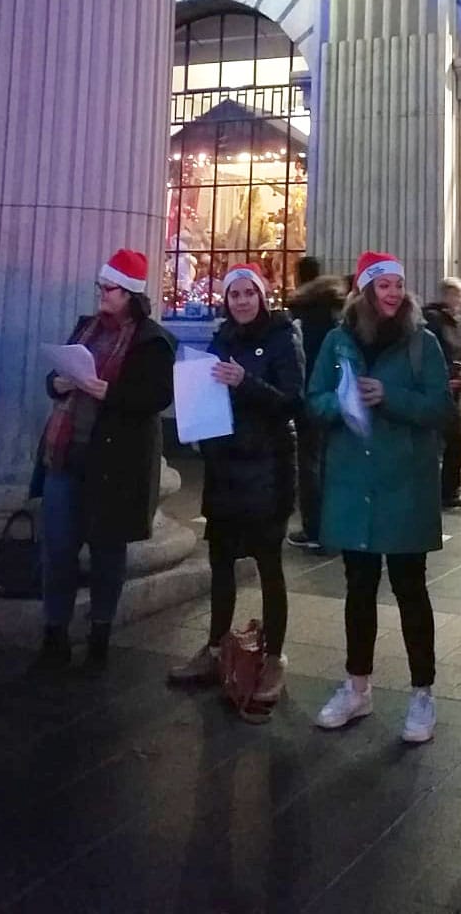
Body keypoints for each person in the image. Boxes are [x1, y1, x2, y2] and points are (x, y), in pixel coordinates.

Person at [307, 251, 453, 744]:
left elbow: (440, 408)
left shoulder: (422, 343)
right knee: (359, 588)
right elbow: (314, 398)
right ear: (365, 292)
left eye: (398, 285)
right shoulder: (336, 341)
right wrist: (339, 403)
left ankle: (422, 693)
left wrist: (387, 398)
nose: (392, 293)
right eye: (383, 285)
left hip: (404, 485)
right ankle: (357, 685)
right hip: (354, 484)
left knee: (411, 590)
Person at [30, 249, 175, 674]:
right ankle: (54, 634)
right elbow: (60, 376)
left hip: (114, 462)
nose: (102, 295)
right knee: (57, 549)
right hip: (66, 453)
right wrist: (57, 382)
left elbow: (156, 398)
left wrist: (107, 392)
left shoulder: (152, 340)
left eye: (108, 288)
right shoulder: (86, 328)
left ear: (130, 293)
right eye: (101, 287)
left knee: (107, 551)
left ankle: (99, 635)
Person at [169, 264, 303, 704]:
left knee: (268, 564)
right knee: (221, 561)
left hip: (267, 467)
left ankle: (274, 659)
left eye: (249, 293)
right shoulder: (222, 338)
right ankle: (214, 648)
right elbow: (205, 390)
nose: (242, 301)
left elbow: (291, 402)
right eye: (234, 295)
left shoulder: (283, 337)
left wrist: (246, 382)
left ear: (262, 297)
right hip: (226, 466)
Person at [286, 255, 344, 548]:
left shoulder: (302, 315)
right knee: (330, 461)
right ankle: (335, 523)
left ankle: (315, 527)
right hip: (337, 396)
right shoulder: (338, 310)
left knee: (309, 462)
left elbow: (298, 360)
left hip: (310, 394)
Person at [423, 276, 461, 509]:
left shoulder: (453, 321)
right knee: (443, 443)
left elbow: (460, 350)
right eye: (460, 297)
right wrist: (447, 375)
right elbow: (433, 355)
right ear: (448, 295)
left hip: (452, 390)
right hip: (440, 391)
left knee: (454, 442)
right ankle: (440, 491)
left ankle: (449, 490)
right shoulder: (433, 319)